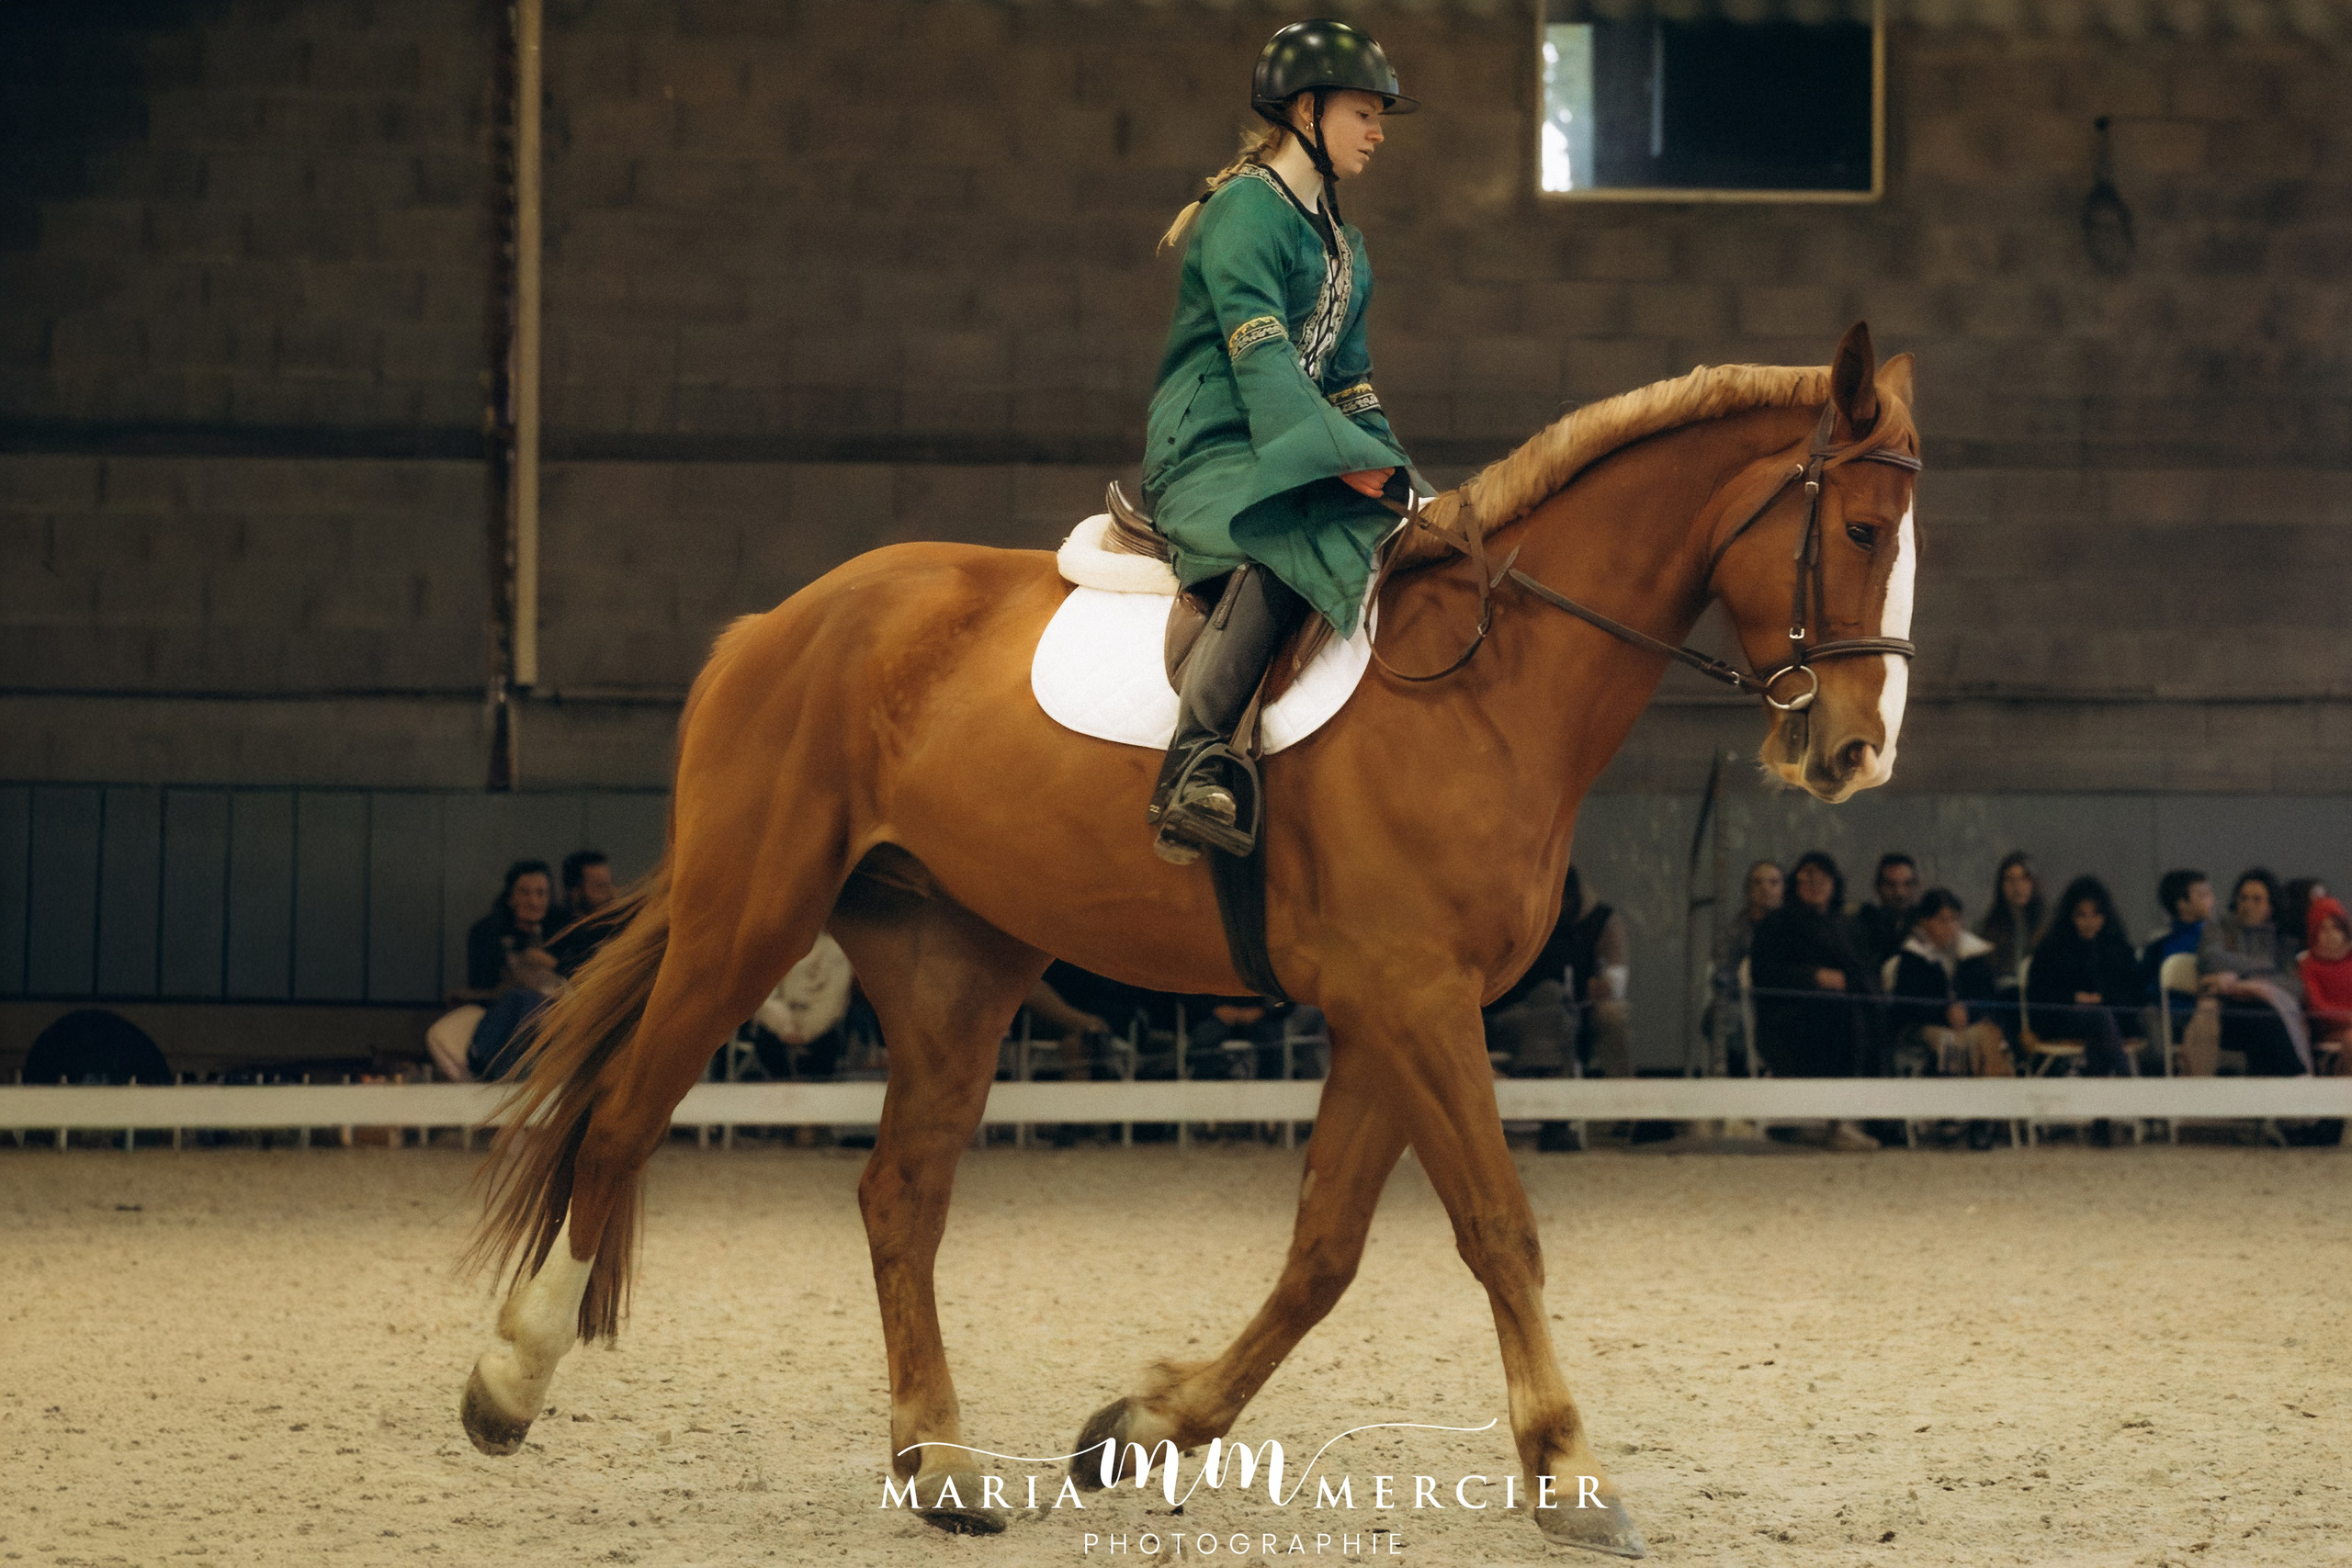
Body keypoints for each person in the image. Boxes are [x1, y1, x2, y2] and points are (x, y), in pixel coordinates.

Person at [1138, 19, 1421, 864]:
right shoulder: (1244, 213)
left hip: (1287, 439)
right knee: (1295, 528)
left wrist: (1403, 476)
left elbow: (1354, 386)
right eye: (1364, 113)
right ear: (1307, 109)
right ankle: (1191, 763)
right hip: (1212, 448)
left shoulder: (1345, 248)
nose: (1377, 132)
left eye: (1379, 118)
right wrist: (1348, 462)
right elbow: (1263, 367)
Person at [1748, 850, 1879, 1149]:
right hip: (1789, 1016)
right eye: (1807, 877)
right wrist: (1814, 977)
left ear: (1835, 884)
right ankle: (1829, 1122)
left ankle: (1864, 1119)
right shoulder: (1777, 924)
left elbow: (1863, 970)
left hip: (1843, 1009)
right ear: (1795, 882)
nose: (1815, 884)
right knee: (1835, 1017)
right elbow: (1765, 973)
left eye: (1823, 878)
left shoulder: (1846, 926)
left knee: (1873, 1014)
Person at [426, 860, 560, 1081]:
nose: (534, 901)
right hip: (506, 1015)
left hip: (555, 1016)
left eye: (541, 893)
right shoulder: (488, 933)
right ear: (510, 897)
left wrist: (551, 963)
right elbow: (483, 988)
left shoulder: (561, 932)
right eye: (525, 893)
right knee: (522, 1000)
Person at [2025, 877, 2148, 1078]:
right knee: (2100, 1018)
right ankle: (2126, 1081)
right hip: (2062, 1019)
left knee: (2102, 1022)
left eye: (2096, 914)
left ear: (2105, 916)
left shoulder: (2118, 948)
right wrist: (2074, 998)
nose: (2089, 922)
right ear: (2070, 917)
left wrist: (2103, 999)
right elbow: (2040, 994)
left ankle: (2097, 1086)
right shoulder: (2052, 949)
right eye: (2081, 915)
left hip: (2113, 1018)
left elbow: (2134, 992)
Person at [2197, 867, 2311, 1077]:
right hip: (2229, 1007)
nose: (2247, 905)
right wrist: (2260, 973)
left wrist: (2256, 987)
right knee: (2264, 1021)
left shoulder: (2282, 940)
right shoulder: (2221, 929)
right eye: (2243, 898)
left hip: (2268, 1008)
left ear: (2271, 906)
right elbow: (2210, 959)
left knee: (2266, 1019)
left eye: (2257, 900)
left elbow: (2294, 986)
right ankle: (2294, 1077)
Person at [1888, 888, 2011, 1077]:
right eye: (1941, 920)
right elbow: (1907, 1005)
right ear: (1924, 922)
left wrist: (1967, 1010)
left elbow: (1988, 997)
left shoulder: (1972, 954)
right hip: (1926, 1026)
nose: (1949, 927)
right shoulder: (1913, 957)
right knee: (1952, 1042)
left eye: (1954, 919)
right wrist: (1945, 1012)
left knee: (1988, 1035)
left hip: (1970, 1023)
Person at [1707, 860, 1781, 1076]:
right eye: (1757, 883)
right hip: (1743, 1004)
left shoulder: (1795, 928)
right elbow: (1721, 974)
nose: (1765, 888)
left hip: (1785, 1004)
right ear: (1748, 891)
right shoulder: (1734, 932)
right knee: (1723, 1018)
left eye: (1773, 882)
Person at [2138, 868, 2211, 1055]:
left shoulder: (2219, 939)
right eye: (2202, 895)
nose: (2211, 900)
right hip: (2177, 1015)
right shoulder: (2162, 947)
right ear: (2182, 904)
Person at [1976, 851, 2044, 1002]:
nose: (2017, 886)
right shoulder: (1988, 928)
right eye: (2010, 879)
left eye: (2024, 878)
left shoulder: (2047, 926)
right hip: (2002, 1002)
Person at [2300, 897, 2352, 1069]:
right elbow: (2317, 1006)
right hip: (2329, 1033)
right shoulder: (2308, 966)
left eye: (2336, 928)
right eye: (2323, 929)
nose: (2331, 935)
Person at [1852, 852, 1921, 968]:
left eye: (1907, 884)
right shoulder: (1863, 923)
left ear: (1916, 885)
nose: (1900, 893)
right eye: (1891, 885)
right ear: (1878, 887)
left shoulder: (1927, 922)